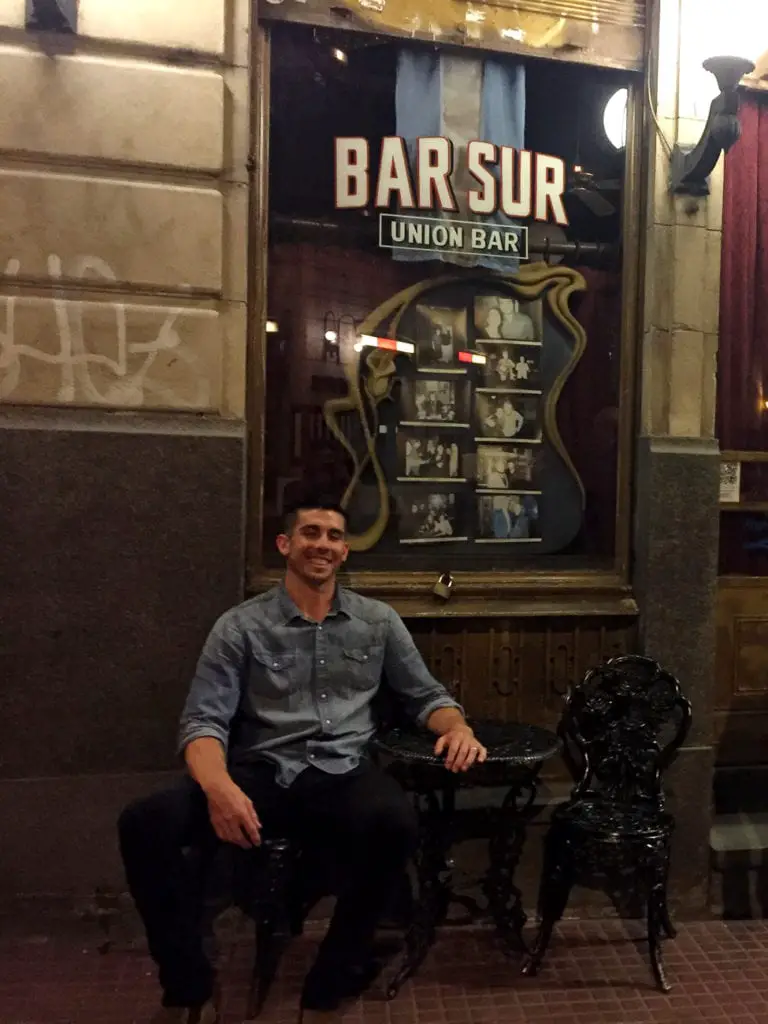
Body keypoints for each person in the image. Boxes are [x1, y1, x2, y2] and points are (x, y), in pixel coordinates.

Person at [118, 499, 487, 1024]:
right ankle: (186, 984)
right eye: (311, 532)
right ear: (285, 545)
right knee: (143, 823)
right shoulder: (240, 626)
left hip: (342, 772)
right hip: (261, 774)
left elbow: (426, 696)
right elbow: (202, 722)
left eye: (335, 536)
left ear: (344, 550)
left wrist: (458, 728)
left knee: (395, 824)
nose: (324, 544)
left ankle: (330, 978)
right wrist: (219, 788)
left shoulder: (377, 621)